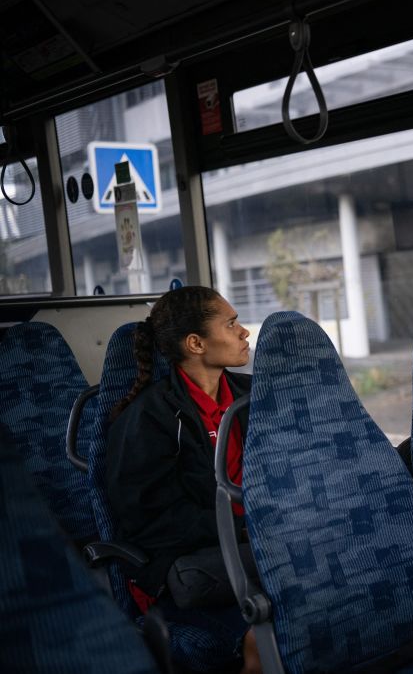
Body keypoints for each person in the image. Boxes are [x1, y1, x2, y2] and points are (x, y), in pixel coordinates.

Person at [106, 286, 261, 674]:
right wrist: (247, 527)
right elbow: (152, 520)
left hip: (261, 550)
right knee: (262, 640)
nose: (244, 332)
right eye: (230, 324)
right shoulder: (150, 419)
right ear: (195, 343)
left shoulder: (255, 395)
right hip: (194, 565)